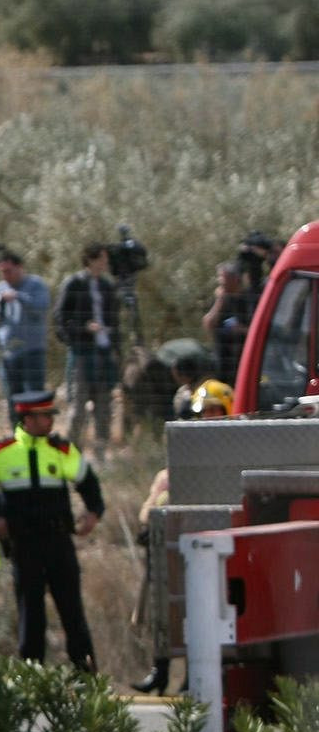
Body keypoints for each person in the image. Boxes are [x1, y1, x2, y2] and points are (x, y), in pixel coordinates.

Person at [0, 390, 104, 671]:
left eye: (51, 415)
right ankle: (31, 677)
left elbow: (88, 482)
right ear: (26, 417)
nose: (50, 421)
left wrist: (93, 512)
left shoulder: (61, 450)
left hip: (58, 542)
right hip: (24, 545)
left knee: (72, 611)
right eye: (44, 416)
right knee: (31, 614)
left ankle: (86, 677)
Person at [133, 380, 233, 692]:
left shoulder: (233, 459)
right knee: (169, 611)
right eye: (205, 412)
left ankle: (196, 677)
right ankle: (161, 672)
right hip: (180, 550)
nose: (210, 418)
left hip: (218, 548)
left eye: (217, 411)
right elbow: (146, 512)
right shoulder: (171, 472)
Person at [56, 244, 120, 456]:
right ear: (90, 260)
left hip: (103, 352)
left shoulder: (107, 286)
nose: (105, 263)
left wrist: (115, 348)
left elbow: (114, 320)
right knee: (78, 407)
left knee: (103, 406)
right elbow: (61, 320)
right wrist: (83, 329)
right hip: (82, 354)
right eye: (102, 259)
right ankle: (72, 452)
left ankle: (100, 453)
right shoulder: (74, 284)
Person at [0, 251, 52, 398]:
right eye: (2, 272)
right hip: (9, 352)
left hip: (33, 350)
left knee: (34, 397)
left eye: (9, 271)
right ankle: (18, 423)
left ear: (20, 267)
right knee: (14, 399)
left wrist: (18, 296)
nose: (6, 276)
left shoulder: (36, 285)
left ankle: (33, 422)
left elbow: (40, 308)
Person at [203, 260, 257, 389]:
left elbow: (260, 330)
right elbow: (208, 324)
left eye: (222, 277)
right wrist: (220, 300)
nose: (219, 281)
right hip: (222, 364)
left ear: (235, 278)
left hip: (245, 362)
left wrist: (241, 330)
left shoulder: (250, 300)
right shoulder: (220, 300)